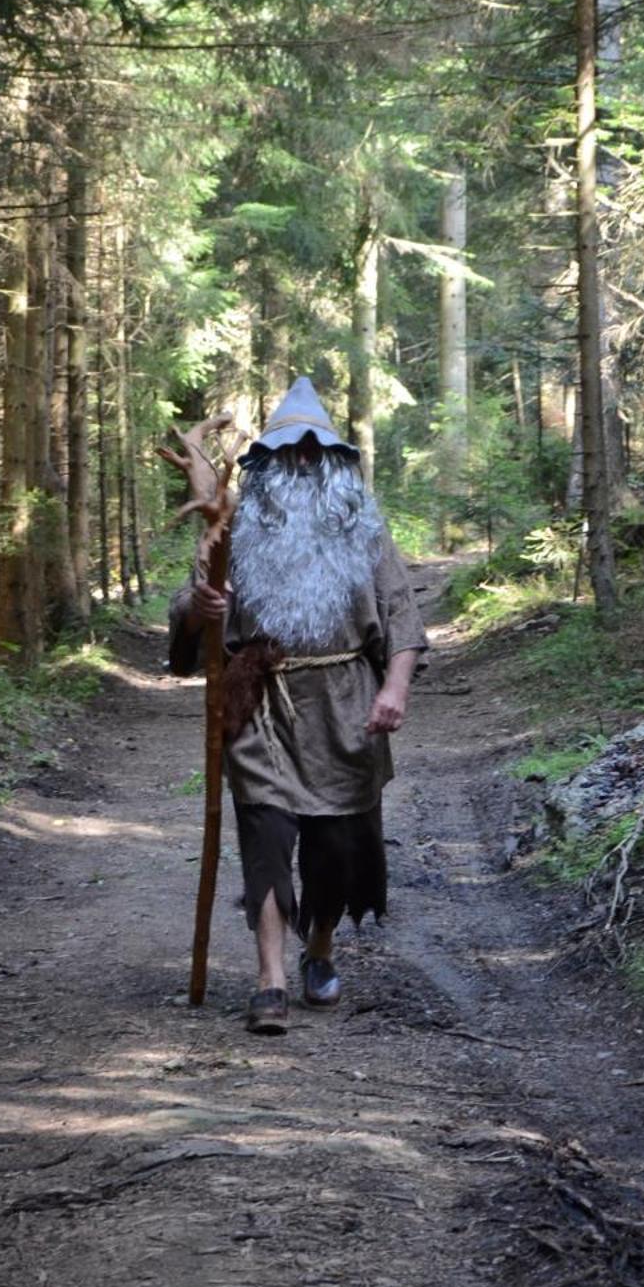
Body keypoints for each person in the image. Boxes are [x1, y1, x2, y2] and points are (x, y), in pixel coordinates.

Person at [169, 377, 427, 1035]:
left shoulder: (364, 529)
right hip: (259, 704)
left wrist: (394, 688)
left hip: (346, 707)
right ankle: (269, 979)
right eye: (290, 452)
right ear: (268, 463)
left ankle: (319, 947)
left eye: (316, 453)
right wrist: (201, 612)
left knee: (336, 847)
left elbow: (400, 615)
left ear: (336, 462)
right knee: (265, 836)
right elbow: (189, 608)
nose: (303, 462)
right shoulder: (234, 525)